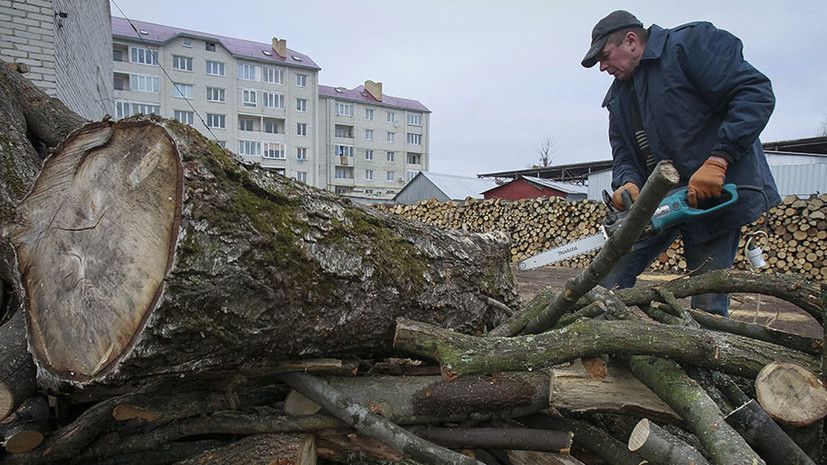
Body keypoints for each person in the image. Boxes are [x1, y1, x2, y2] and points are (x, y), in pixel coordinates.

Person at [581, 10, 780, 316]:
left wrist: (719, 159)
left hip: (712, 196)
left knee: (707, 303)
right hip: (657, 201)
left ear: (631, 40)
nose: (603, 67)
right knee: (605, 282)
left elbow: (754, 93)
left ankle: (706, 360)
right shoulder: (619, 97)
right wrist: (627, 181)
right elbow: (622, 152)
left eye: (606, 57)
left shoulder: (689, 46)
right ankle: (610, 354)